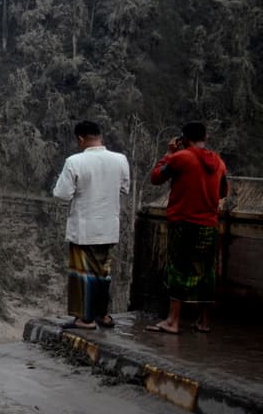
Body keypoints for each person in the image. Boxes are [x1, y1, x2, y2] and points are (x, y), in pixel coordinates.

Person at [147, 122, 229, 334]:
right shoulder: (219, 163)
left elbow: (156, 177)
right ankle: (204, 321)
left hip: (183, 222)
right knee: (206, 271)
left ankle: (173, 321)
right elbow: (222, 192)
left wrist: (168, 153)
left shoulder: (181, 158)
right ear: (206, 136)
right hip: (209, 224)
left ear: (183, 139)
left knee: (179, 268)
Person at [52, 120, 131, 330]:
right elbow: (124, 189)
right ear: (99, 135)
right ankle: (103, 315)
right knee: (103, 273)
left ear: (80, 138)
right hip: (109, 226)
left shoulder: (74, 161)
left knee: (83, 275)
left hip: (85, 226)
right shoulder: (120, 160)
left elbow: (61, 194)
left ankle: (84, 319)